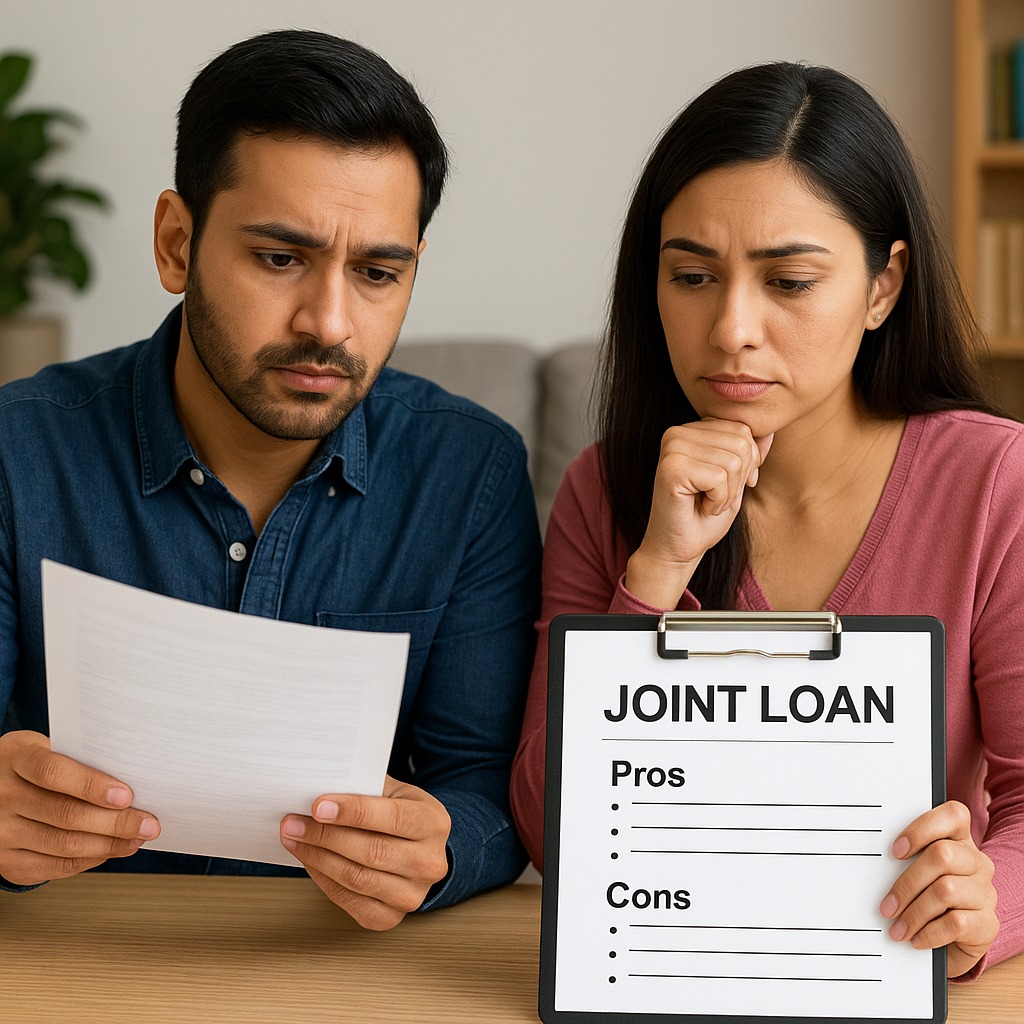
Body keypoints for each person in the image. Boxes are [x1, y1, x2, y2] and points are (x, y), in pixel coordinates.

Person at [0, 29, 541, 930]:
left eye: (376, 272)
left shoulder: (470, 471)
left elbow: (486, 784)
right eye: (280, 258)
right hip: (73, 956)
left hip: (336, 969)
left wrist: (441, 846)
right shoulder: (17, 452)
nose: (329, 322)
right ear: (177, 243)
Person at [510, 61, 1024, 979]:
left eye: (788, 282)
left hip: (895, 968)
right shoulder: (603, 490)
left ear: (882, 286)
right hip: (675, 971)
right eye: (693, 276)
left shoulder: (996, 483)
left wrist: (987, 906)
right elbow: (554, 831)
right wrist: (656, 573)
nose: (731, 329)